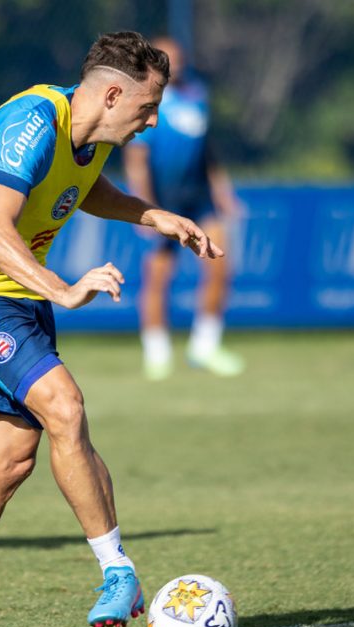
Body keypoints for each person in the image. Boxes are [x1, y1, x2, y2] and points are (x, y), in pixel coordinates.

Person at [0, 31, 223, 627]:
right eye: (147, 109)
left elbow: (89, 189)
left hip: (18, 295)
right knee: (65, 405)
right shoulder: (32, 121)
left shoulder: (88, 138)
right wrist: (64, 289)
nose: (151, 122)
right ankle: (119, 570)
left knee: (9, 461)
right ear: (113, 93)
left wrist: (156, 216)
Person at [123, 36, 245, 381]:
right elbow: (137, 158)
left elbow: (208, 151)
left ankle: (205, 346)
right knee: (159, 277)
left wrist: (223, 191)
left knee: (220, 264)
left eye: (177, 58)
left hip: (200, 197)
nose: (173, 64)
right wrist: (144, 208)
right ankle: (157, 353)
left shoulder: (198, 95)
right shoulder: (148, 99)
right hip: (163, 200)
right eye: (165, 59)